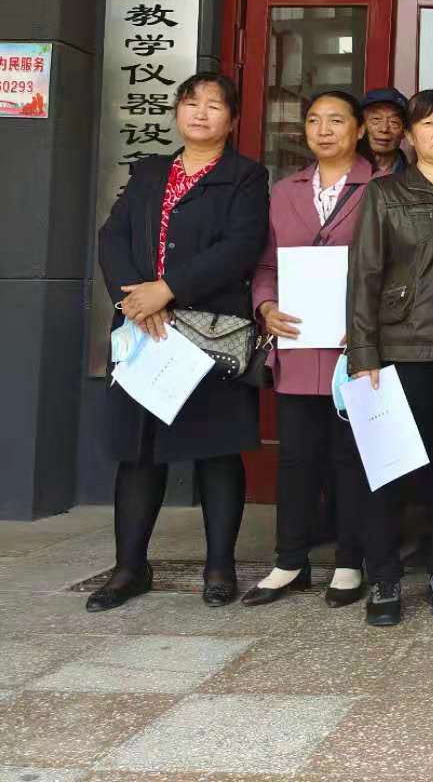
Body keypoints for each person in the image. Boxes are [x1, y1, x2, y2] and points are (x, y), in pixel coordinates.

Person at [92, 73, 269, 612]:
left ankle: (219, 567)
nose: (200, 113)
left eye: (214, 105)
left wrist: (167, 289)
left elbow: (240, 247)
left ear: (231, 120)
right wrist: (134, 299)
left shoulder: (245, 176)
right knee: (138, 453)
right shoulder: (150, 171)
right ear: (176, 112)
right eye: (191, 103)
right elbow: (113, 235)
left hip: (209, 333)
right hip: (144, 331)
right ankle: (129, 568)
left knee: (217, 450)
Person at [347, 89, 433, 627]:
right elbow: (364, 275)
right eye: (428, 124)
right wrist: (363, 352)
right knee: (391, 468)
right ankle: (384, 576)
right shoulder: (386, 193)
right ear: (409, 136)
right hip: (400, 349)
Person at [245, 90, 373, 609]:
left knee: (352, 457)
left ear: (359, 129)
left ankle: (350, 561)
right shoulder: (284, 191)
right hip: (298, 344)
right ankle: (290, 561)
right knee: (297, 457)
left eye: (336, 120)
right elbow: (266, 264)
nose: (324, 130)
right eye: (315, 120)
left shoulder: (382, 188)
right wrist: (266, 305)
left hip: (354, 348)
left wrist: (370, 323)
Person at [359, 87, 409, 175]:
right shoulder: (341, 171)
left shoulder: (415, 177)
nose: (384, 129)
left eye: (394, 122)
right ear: (361, 127)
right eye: (376, 119)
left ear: (404, 132)